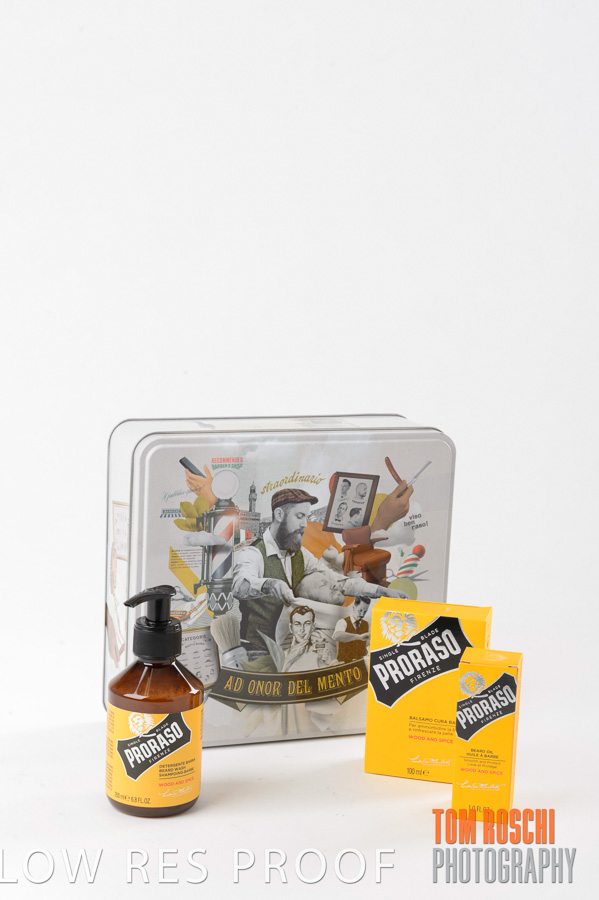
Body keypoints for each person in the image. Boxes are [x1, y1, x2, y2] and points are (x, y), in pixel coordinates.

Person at [232, 488, 406, 656]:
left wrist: (380, 591)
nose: (304, 524)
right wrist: (269, 584)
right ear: (279, 515)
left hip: (295, 647)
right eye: (299, 516)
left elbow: (338, 581)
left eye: (306, 517)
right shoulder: (253, 553)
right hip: (259, 650)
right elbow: (239, 585)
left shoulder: (301, 554)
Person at [333, 596, 371, 663]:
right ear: (353, 607)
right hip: (344, 664)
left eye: (365, 611)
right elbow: (337, 636)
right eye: (360, 610)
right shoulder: (342, 622)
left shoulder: (366, 624)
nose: (362, 614)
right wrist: (358, 637)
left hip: (361, 664)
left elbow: (366, 644)